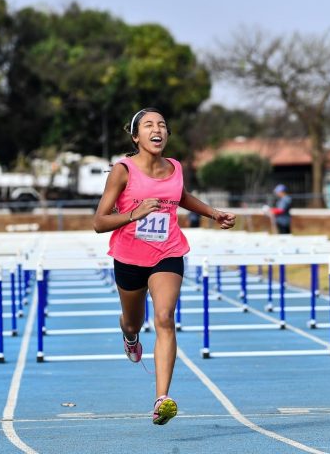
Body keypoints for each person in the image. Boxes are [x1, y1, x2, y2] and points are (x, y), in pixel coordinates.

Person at [93, 108, 236, 425]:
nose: (156, 129)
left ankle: (162, 399)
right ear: (136, 136)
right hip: (129, 256)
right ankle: (130, 337)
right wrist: (135, 213)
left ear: (167, 135)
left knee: (165, 317)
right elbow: (99, 222)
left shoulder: (175, 167)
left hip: (167, 252)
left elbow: (180, 195)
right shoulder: (123, 170)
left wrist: (213, 214)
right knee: (133, 321)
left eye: (162, 125)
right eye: (148, 125)